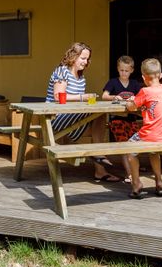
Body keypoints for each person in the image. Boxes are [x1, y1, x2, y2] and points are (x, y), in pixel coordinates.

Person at [46, 42, 121, 183]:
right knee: (99, 116)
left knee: (100, 114)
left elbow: (78, 102)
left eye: (87, 59)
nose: (85, 62)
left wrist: (88, 100)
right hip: (57, 116)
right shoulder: (62, 71)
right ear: (73, 56)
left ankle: (99, 164)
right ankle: (100, 157)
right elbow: (58, 96)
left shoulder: (81, 78)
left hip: (73, 116)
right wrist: (83, 97)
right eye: (83, 58)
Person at [125, 58, 162, 199]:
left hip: (151, 135)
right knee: (154, 152)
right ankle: (159, 182)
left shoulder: (145, 91)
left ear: (143, 77)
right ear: (161, 75)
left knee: (129, 149)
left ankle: (136, 184)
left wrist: (129, 101)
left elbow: (132, 106)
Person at [102, 55, 143, 183]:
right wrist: (114, 97)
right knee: (125, 145)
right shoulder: (113, 82)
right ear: (118, 69)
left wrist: (135, 99)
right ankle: (130, 174)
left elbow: (142, 96)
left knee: (136, 144)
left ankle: (134, 169)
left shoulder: (135, 84)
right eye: (121, 70)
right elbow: (104, 96)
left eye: (126, 70)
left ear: (131, 70)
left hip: (131, 119)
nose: (124, 73)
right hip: (117, 119)